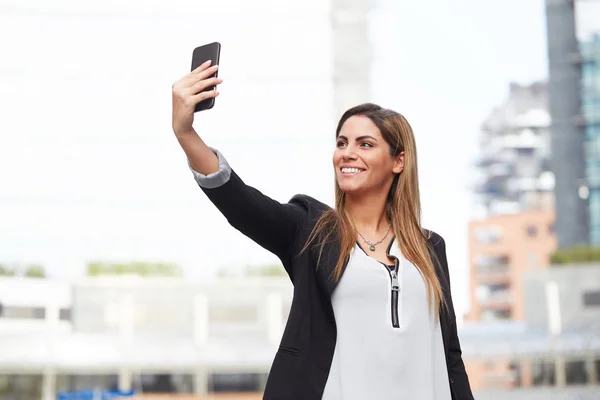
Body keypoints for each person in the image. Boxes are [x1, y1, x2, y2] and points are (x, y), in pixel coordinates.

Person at [171, 60, 474, 400]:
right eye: (342, 142)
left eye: (365, 144)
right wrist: (186, 134)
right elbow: (242, 204)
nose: (347, 153)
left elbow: (450, 358)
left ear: (398, 161)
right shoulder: (312, 230)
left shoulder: (430, 247)